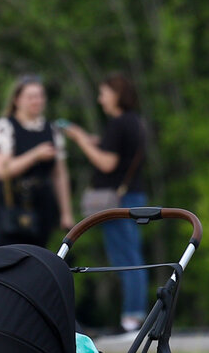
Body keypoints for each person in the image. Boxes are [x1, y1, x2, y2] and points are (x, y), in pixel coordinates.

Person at [62, 74, 148, 334]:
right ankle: (133, 315)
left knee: (126, 257)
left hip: (120, 199)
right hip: (131, 196)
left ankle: (132, 318)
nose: (100, 99)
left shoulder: (120, 123)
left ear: (115, 94)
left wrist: (79, 142)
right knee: (129, 254)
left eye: (103, 93)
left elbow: (107, 163)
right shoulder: (132, 122)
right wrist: (88, 139)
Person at [0, 74, 75, 248]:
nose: (37, 101)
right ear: (17, 100)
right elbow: (2, 171)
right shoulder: (5, 127)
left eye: (40, 96)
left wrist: (66, 212)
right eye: (31, 97)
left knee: (38, 255)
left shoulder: (52, 130)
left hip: (41, 205)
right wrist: (35, 155)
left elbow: (60, 175)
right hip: (11, 205)